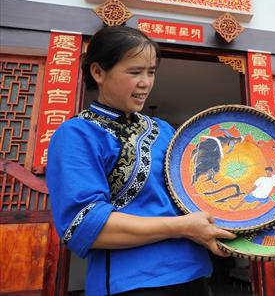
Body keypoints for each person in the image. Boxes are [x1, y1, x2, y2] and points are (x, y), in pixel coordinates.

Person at [46, 25, 236, 296]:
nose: (145, 82)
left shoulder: (163, 130)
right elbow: (83, 225)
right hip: (133, 284)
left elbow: (194, 194)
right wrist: (182, 227)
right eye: (135, 72)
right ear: (98, 72)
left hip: (194, 274)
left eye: (151, 72)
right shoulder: (77, 133)